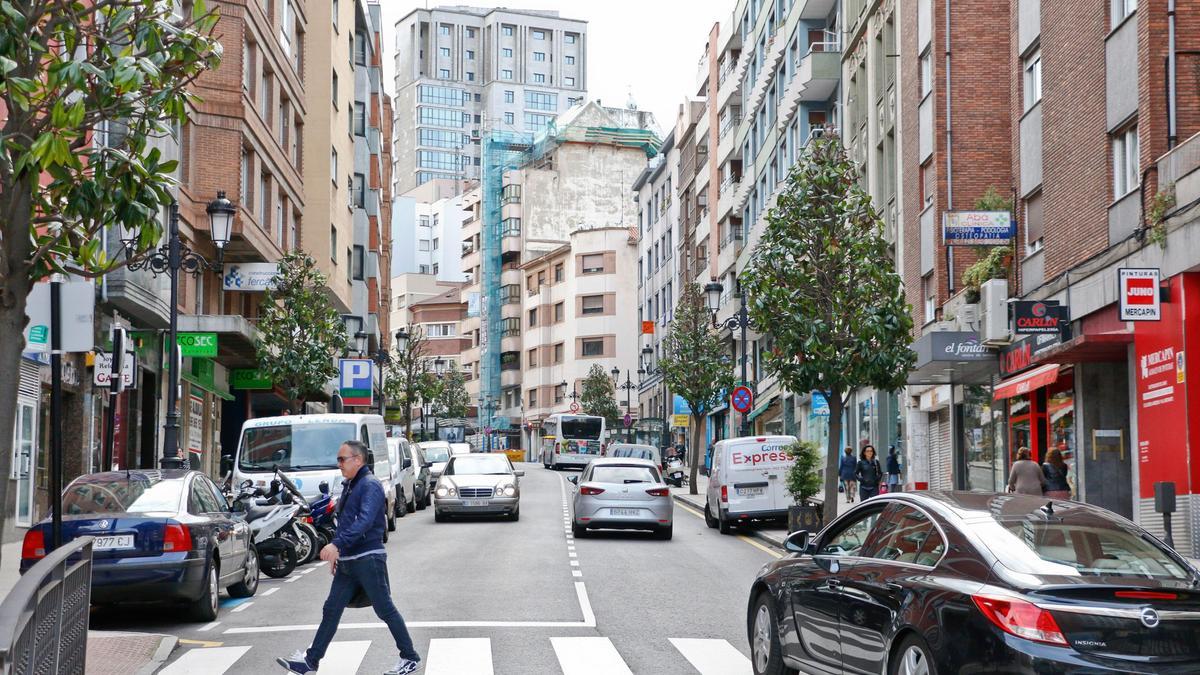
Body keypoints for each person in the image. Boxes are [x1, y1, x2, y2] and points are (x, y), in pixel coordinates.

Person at [276, 440, 422, 675]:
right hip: (350, 561)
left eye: (342, 459)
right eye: (339, 459)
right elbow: (345, 523)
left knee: (385, 609)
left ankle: (410, 657)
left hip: (368, 558)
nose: (339, 464)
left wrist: (336, 545)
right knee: (331, 609)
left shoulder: (370, 485)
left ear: (358, 460)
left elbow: (364, 522)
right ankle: (311, 661)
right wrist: (339, 551)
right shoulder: (352, 484)